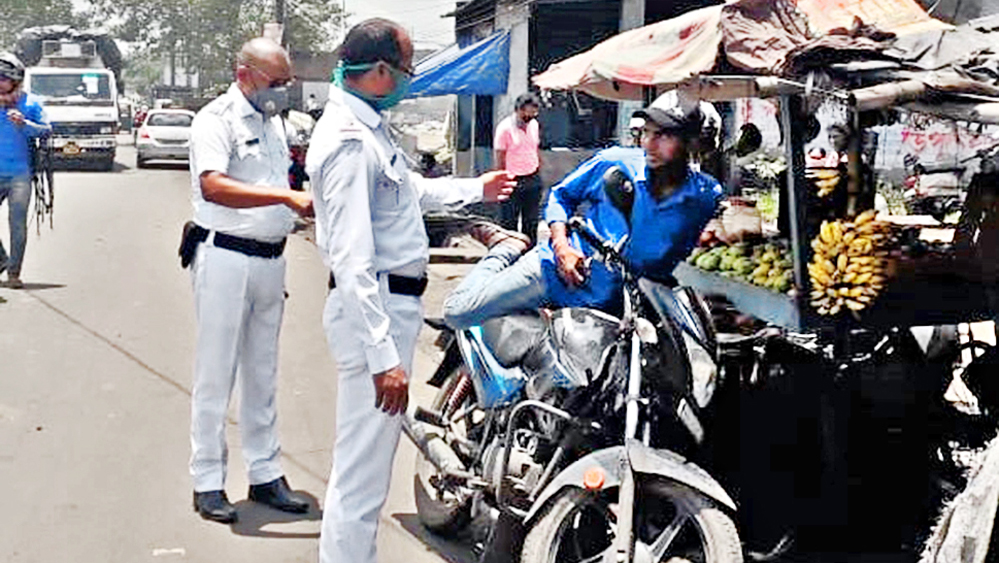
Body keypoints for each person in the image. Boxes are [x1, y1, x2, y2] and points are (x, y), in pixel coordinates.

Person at [304, 18, 516, 563]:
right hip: (375, 308)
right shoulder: (350, 141)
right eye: (405, 69)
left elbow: (410, 192)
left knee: (366, 471)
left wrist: (476, 188)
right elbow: (353, 260)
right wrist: (383, 358)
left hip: (389, 305)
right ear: (378, 72)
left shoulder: (369, 128)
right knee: (361, 478)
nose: (409, 78)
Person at [443, 93, 724, 329]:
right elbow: (561, 197)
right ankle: (505, 247)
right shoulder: (615, 162)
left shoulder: (705, 196)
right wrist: (563, 248)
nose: (649, 143)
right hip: (557, 274)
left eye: (663, 135)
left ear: (691, 143)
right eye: (647, 132)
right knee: (458, 313)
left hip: (620, 303)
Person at [184, 37, 314, 524]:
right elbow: (213, 185)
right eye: (275, 82)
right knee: (216, 373)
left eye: (287, 82)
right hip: (225, 258)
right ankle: (208, 481)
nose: (283, 90)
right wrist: (284, 198)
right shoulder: (215, 119)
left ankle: (264, 474)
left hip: (269, 261)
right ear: (245, 75)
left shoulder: (273, 123)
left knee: (263, 374)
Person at [0, 52, 50, 289]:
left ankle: (14, 273)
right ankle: (2, 259)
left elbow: (46, 130)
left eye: (3, 78)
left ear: (15, 80)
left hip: (20, 174)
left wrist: (25, 125)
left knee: (17, 223)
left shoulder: (31, 104)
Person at [495, 92, 543, 244]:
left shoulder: (534, 125)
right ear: (519, 110)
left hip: (532, 177)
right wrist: (501, 181)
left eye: (533, 115)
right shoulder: (505, 129)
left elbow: (535, 148)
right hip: (512, 180)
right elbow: (500, 156)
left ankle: (529, 255)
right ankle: (509, 253)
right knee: (509, 222)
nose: (529, 118)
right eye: (527, 115)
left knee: (531, 221)